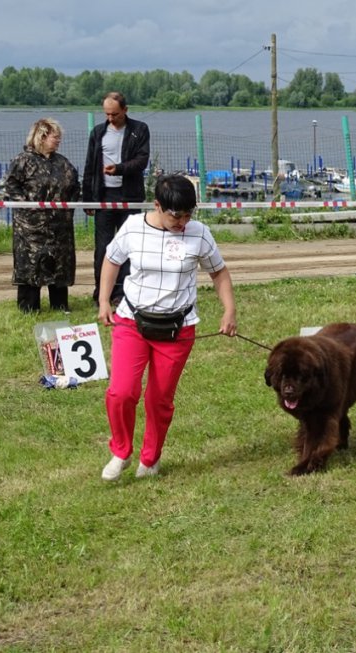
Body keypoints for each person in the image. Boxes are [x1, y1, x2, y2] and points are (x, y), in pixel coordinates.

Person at [98, 173, 237, 481]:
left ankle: (151, 458)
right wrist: (104, 301)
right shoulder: (133, 227)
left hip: (177, 329)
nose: (183, 221)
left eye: (189, 214)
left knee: (159, 400)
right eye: (176, 215)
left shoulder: (199, 234)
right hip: (132, 321)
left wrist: (229, 310)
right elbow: (111, 260)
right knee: (122, 392)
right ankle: (121, 450)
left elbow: (219, 273)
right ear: (157, 205)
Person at [3, 118, 80, 313]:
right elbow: (11, 187)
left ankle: (60, 306)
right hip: (31, 229)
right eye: (55, 137)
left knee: (60, 267)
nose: (58, 140)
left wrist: (68, 210)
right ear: (42, 137)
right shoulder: (23, 161)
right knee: (31, 267)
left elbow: (74, 188)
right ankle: (29, 308)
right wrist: (29, 209)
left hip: (60, 227)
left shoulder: (63, 163)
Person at [82, 91, 150, 308]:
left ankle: (123, 292)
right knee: (103, 247)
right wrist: (88, 199)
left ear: (125, 110)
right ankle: (101, 291)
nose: (110, 118)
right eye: (107, 114)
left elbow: (142, 161)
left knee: (129, 247)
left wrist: (119, 169)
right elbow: (89, 166)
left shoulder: (139, 130)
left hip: (130, 196)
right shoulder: (98, 132)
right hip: (103, 197)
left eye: (115, 114)